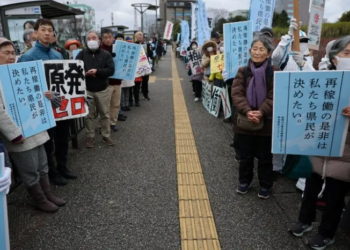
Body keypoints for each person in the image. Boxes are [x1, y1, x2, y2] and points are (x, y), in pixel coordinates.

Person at [289, 36, 350, 250]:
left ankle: (327, 233)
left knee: (335, 197)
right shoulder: (324, 79)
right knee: (310, 190)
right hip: (318, 147)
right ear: (334, 58)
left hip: (344, 155)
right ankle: (304, 221)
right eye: (347, 53)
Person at [0, 37, 65, 212]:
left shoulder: (21, 71)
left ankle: (47, 194)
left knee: (43, 164)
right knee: (29, 169)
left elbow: (37, 93)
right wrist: (14, 134)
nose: (11, 56)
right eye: (6, 53)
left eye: (13, 52)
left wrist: (48, 96)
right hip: (20, 133)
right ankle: (39, 199)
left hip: (35, 127)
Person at [19, 19, 77, 186]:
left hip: (60, 105)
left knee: (62, 138)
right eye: (43, 29)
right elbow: (24, 86)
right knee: (47, 141)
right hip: (42, 107)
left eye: (50, 30)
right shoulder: (27, 57)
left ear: (53, 34)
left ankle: (63, 166)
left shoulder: (58, 55)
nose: (46, 33)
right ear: (35, 33)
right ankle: (51, 171)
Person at [232, 35, 279, 199]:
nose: (257, 52)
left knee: (265, 157)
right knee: (245, 156)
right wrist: (247, 110)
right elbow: (237, 93)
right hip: (245, 121)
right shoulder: (243, 71)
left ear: (268, 54)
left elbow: (276, 94)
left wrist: (261, 111)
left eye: (261, 49)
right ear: (249, 50)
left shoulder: (274, 71)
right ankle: (244, 181)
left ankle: (265, 184)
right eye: (255, 48)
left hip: (266, 121)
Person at [76, 30, 115, 148]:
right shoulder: (82, 54)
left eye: (94, 38)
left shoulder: (105, 54)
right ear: (86, 41)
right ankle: (90, 137)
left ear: (98, 40)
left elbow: (111, 70)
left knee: (105, 114)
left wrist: (98, 72)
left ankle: (106, 135)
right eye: (89, 39)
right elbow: (74, 69)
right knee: (89, 115)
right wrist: (84, 73)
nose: (91, 40)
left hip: (102, 89)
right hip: (87, 90)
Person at [100, 29, 125, 133]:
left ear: (113, 38)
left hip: (118, 81)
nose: (108, 39)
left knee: (115, 104)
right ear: (102, 39)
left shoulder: (119, 48)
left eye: (110, 37)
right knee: (105, 106)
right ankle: (103, 125)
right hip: (106, 83)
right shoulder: (99, 50)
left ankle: (113, 123)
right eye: (105, 37)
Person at [135, 31, 151, 101]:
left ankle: (145, 94)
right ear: (136, 37)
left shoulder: (147, 45)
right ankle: (136, 97)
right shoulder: (133, 45)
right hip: (137, 66)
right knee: (137, 82)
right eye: (138, 35)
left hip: (145, 65)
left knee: (145, 81)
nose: (140, 36)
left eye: (141, 35)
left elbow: (150, 53)